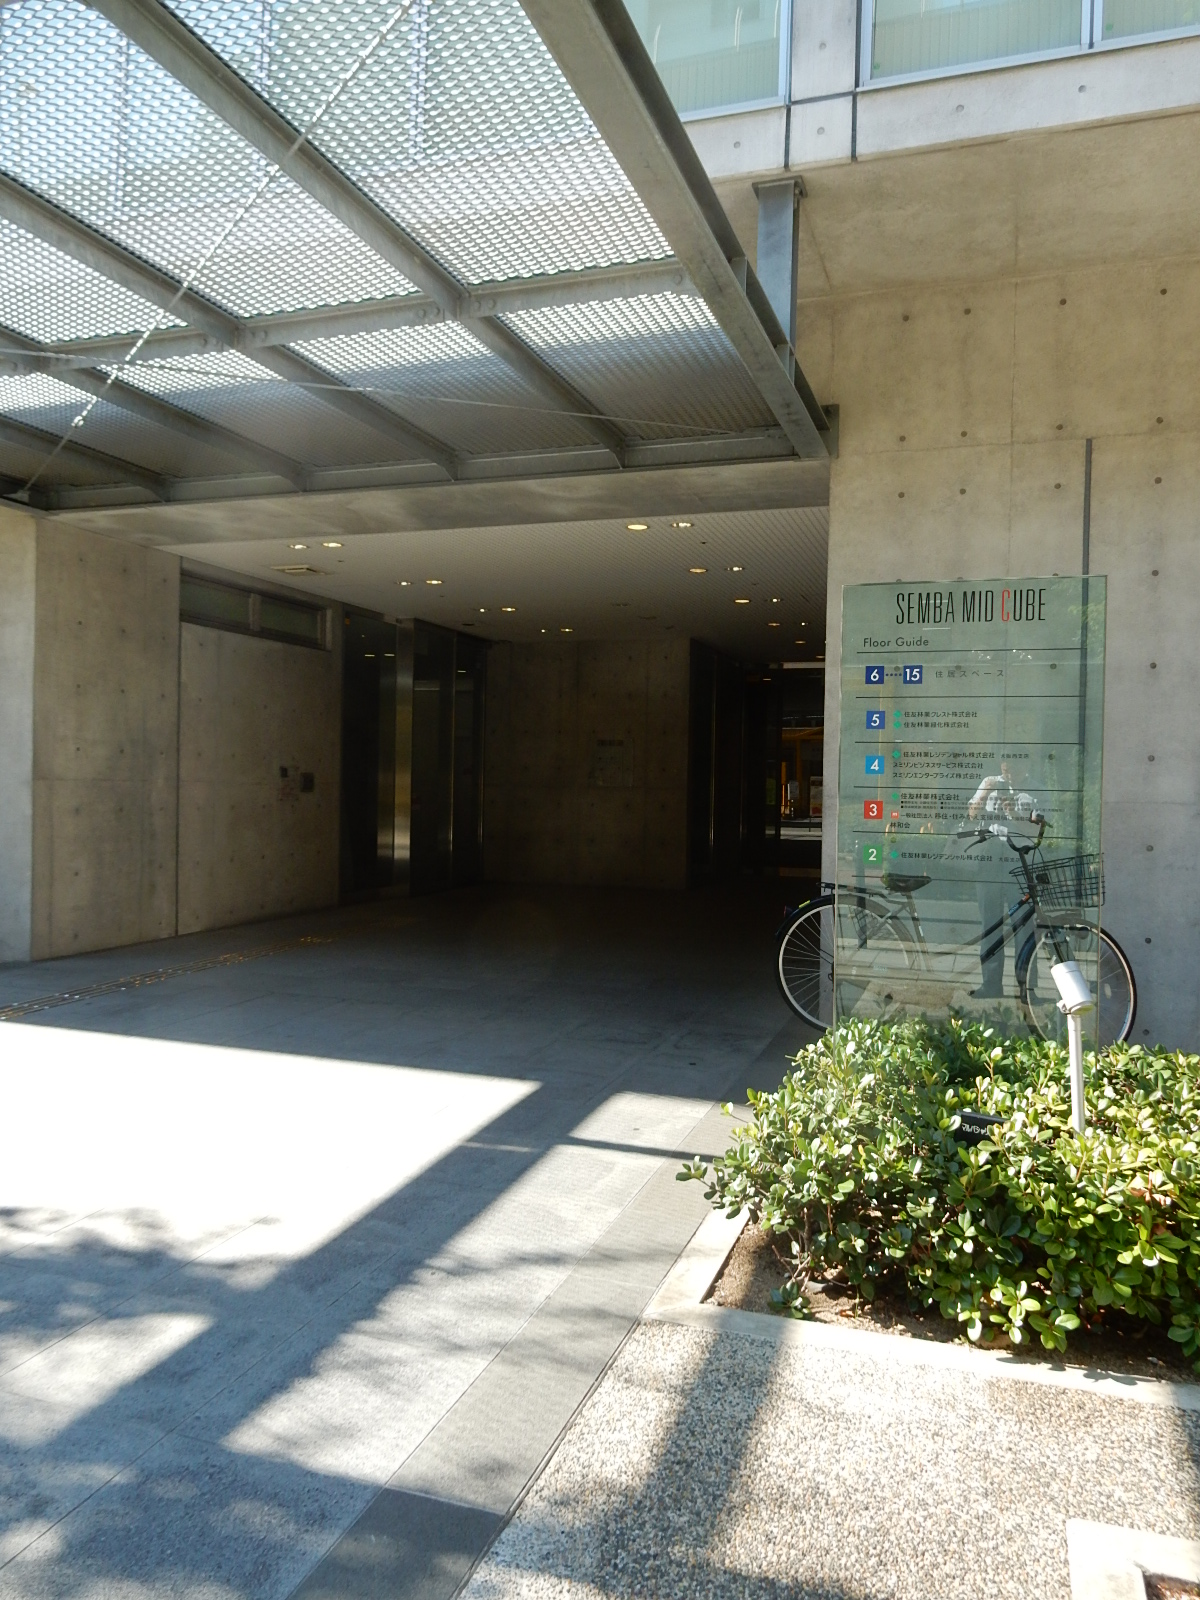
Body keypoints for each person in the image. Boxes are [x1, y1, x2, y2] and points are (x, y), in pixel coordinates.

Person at [966, 757, 1043, 998]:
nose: (1007, 773)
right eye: (1004, 768)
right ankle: (990, 985)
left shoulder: (1036, 790)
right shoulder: (989, 782)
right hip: (989, 858)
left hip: (1019, 860)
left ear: (1025, 766)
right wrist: (985, 793)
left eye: (1013, 768)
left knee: (1024, 925)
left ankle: (1026, 988)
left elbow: (1038, 830)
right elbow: (971, 814)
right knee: (990, 923)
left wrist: (1013, 813)